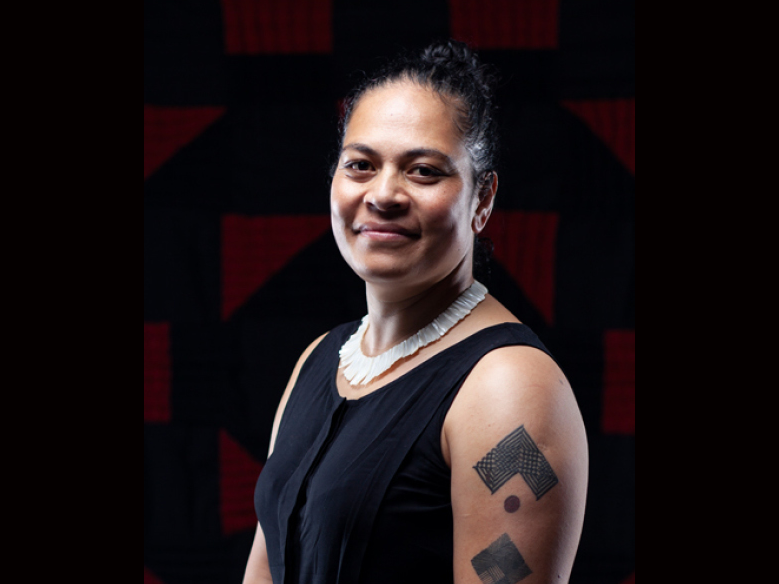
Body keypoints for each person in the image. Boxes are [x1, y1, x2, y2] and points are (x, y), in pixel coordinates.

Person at [243, 40, 588, 584]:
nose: (383, 194)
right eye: (360, 165)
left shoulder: (509, 389)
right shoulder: (321, 359)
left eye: (424, 171)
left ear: (482, 200)